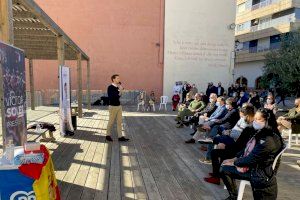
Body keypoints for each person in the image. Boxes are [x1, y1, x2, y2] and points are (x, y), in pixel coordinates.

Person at [220, 108, 284, 200]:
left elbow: (251, 159)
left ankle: (233, 197)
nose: (255, 121)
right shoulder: (263, 133)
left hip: (259, 173)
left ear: (267, 121)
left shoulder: (268, 139)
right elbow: (247, 149)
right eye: (255, 118)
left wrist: (234, 162)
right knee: (225, 166)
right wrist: (234, 158)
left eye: (258, 119)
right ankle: (233, 196)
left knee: (225, 169)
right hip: (257, 168)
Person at [204, 104, 255, 185]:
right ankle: (217, 173)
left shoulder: (249, 127)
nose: (242, 116)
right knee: (220, 147)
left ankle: (216, 176)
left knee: (215, 152)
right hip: (237, 148)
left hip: (238, 151)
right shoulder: (250, 125)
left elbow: (239, 140)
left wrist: (229, 136)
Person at [106, 74, 130, 142]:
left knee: (119, 122)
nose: (119, 79)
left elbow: (118, 96)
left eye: (119, 78)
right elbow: (112, 97)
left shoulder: (117, 87)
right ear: (113, 79)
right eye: (117, 78)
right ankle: (107, 135)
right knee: (111, 122)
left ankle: (120, 137)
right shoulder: (110, 87)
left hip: (119, 106)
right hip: (113, 107)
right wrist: (120, 91)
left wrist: (120, 90)